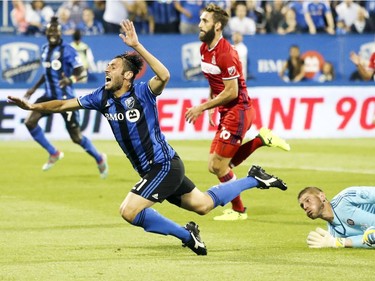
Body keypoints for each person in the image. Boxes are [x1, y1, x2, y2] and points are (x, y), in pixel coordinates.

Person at [8, 19, 288, 256]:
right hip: (157, 168)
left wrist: (137, 46)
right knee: (202, 205)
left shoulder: (142, 92)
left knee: (129, 210)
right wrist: (34, 107)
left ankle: (187, 236)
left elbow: (164, 75)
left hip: (163, 165)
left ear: (128, 75)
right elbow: (62, 104)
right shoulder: (101, 98)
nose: (107, 69)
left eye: (113, 67)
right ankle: (255, 178)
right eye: (108, 66)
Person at [185, 3, 290, 221]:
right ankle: (261, 140)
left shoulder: (227, 54)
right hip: (225, 110)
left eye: (205, 21)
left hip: (238, 111)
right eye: (201, 19)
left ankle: (239, 210)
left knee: (219, 166)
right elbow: (214, 81)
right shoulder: (204, 48)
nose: (199, 24)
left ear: (217, 26)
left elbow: (232, 92)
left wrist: (202, 108)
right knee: (216, 166)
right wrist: (211, 103)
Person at [22, 16, 108, 178]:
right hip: (48, 96)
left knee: (76, 137)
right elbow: (46, 72)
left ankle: (99, 158)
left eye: (55, 31)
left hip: (65, 100)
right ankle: (53, 153)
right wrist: (33, 89)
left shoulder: (68, 50)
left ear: (60, 33)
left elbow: (80, 71)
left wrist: (70, 80)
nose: (52, 34)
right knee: (30, 121)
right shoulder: (44, 49)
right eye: (50, 31)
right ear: (46, 33)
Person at [298, 186, 375, 248]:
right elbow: (369, 241)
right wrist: (336, 243)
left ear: (322, 196)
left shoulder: (345, 198)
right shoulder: (333, 235)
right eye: (302, 206)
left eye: (308, 200)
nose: (305, 207)